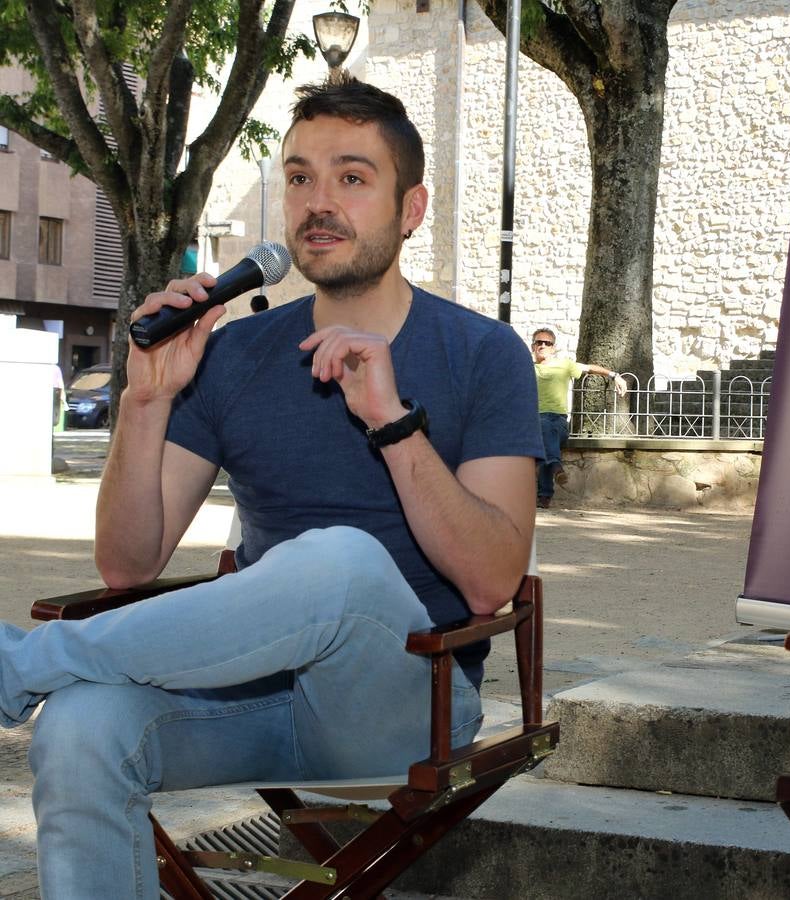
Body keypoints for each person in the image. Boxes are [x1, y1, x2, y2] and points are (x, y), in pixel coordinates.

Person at [2, 75, 541, 899]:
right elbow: (126, 566)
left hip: (404, 708)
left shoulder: (483, 353)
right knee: (79, 728)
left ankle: (23, 665)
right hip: (247, 702)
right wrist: (147, 400)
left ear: (411, 208)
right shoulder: (233, 354)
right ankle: (34, 676)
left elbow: (491, 581)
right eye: (299, 177)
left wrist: (393, 423)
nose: (317, 202)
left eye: (352, 178)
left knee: (339, 561)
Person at [531, 326, 627, 508]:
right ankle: (554, 468)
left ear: (553, 348)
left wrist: (615, 376)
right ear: (533, 346)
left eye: (547, 343)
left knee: (547, 433)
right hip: (535, 421)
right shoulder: (527, 368)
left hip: (559, 421)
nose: (542, 345)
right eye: (539, 342)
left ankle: (545, 492)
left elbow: (590, 368)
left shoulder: (565, 365)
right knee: (542, 426)